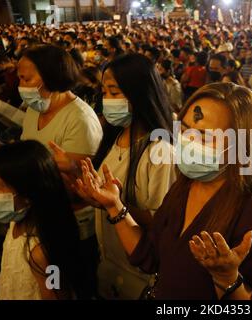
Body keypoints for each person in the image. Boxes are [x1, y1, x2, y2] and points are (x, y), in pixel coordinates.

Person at [77, 82, 252, 299]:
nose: (188, 142)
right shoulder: (184, 187)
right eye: (184, 129)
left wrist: (227, 278)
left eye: (205, 136)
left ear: (240, 144)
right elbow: (151, 255)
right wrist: (114, 206)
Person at [71, 53, 176, 300]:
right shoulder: (114, 136)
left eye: (115, 92)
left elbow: (163, 224)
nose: (107, 100)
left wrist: (113, 205)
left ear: (139, 93)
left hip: (141, 274)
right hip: (110, 263)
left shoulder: (160, 151)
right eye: (105, 92)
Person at [0, 140, 88, 299]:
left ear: (27, 194)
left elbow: (57, 294)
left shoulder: (42, 252)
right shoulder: (16, 222)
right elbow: (15, 271)